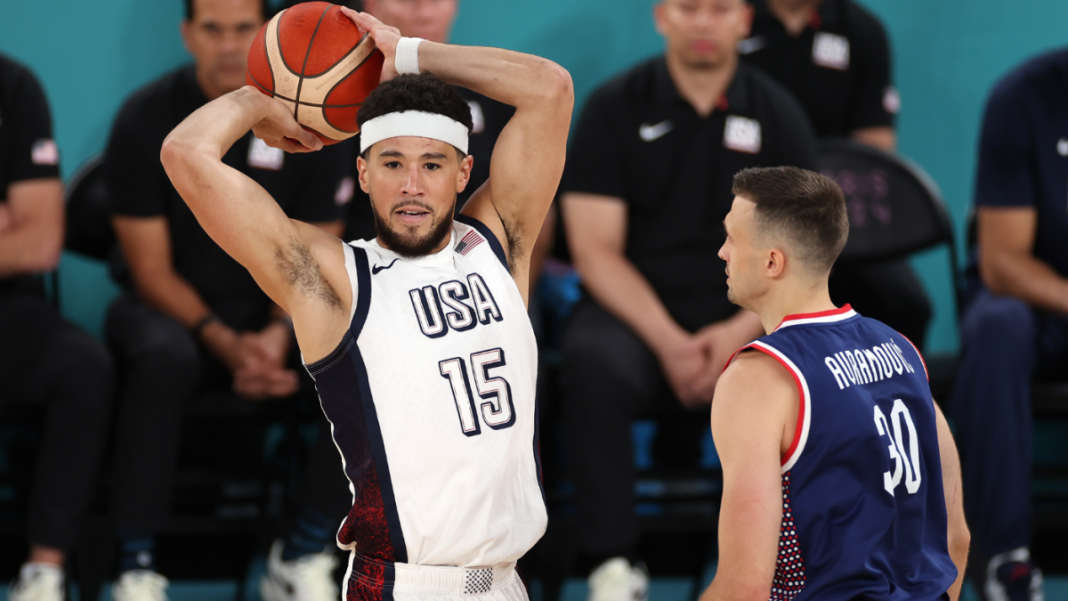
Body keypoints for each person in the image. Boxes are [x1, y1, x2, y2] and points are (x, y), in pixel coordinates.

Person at [159, 7, 572, 601]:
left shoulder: (498, 245)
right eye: (392, 164)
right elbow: (185, 154)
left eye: (432, 165)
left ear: (463, 173)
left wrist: (406, 54)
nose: (411, 185)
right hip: (405, 588)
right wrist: (261, 100)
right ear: (362, 172)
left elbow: (549, 88)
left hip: (507, 584)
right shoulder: (334, 279)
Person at [558, 0, 818, 595]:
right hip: (638, 312)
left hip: (749, 314)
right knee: (592, 359)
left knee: (809, 360)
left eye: (720, 9)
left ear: (745, 21)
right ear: (662, 17)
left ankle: (788, 561)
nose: (704, 21)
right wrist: (671, 344)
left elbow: (802, 257)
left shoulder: (780, 116)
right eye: (689, 8)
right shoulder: (613, 107)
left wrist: (735, 335)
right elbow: (595, 251)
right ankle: (611, 564)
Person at [101, 0, 353, 598]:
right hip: (174, 312)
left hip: (277, 309)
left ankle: (303, 551)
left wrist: (272, 335)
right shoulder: (145, 118)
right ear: (187, 34)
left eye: (242, 29)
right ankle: (135, 565)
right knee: (161, 357)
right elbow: (150, 271)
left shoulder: (312, 125)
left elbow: (313, 257)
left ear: (263, 38)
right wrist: (226, 342)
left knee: (361, 347)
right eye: (211, 28)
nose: (225, 43)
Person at [700, 165, 968, 600]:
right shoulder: (903, 352)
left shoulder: (760, 378)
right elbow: (956, 540)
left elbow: (743, 588)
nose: (722, 252)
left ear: (772, 261)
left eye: (732, 238)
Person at [738, 0, 932, 349]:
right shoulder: (732, 18)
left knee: (905, 302)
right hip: (749, 213)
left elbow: (874, 149)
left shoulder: (861, 30)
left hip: (835, 218)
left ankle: (893, 397)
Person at [947, 48, 1068, 601]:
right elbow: (1002, 261)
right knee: (997, 328)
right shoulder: (1023, 97)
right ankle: (1003, 560)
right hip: (1033, 300)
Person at [0, 53, 115, 601]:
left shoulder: (12, 85)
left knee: (83, 368)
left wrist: (17, 230)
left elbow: (39, 241)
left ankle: (42, 574)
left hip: (8, 309)